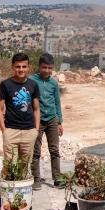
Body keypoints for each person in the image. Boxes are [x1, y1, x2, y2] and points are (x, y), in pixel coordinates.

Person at [0, 53, 40, 210]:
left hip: (29, 132)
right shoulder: (6, 85)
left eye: (24, 66)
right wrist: (4, 131)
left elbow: (36, 108)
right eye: (18, 66)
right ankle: (3, 197)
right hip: (11, 131)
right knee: (10, 165)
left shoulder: (33, 85)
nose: (21, 69)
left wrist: (36, 129)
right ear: (13, 67)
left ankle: (23, 198)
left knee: (25, 166)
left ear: (28, 67)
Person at [30, 53, 64, 190]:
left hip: (52, 119)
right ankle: (36, 179)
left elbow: (57, 102)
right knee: (36, 151)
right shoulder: (31, 81)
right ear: (39, 67)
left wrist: (60, 122)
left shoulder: (54, 83)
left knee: (54, 150)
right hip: (37, 121)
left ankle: (57, 178)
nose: (47, 71)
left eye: (50, 68)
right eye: (44, 67)